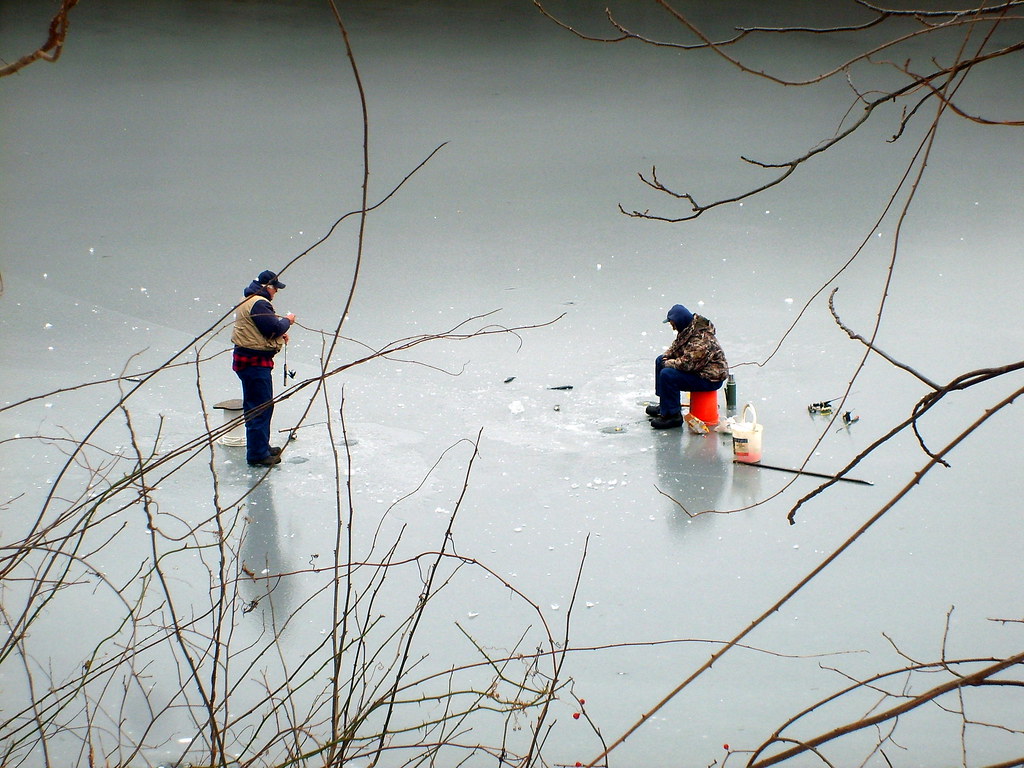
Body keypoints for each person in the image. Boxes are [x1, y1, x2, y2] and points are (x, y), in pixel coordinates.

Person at [231, 270, 296, 466]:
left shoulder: (249, 300)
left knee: (259, 406)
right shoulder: (259, 303)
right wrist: (288, 321)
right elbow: (272, 328)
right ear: (268, 287)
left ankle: (261, 446)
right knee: (260, 407)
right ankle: (258, 454)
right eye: (275, 288)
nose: (276, 292)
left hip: (248, 362)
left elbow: (258, 330)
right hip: (255, 363)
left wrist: (278, 335)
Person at [646, 303, 728, 429]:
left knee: (667, 374)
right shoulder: (688, 328)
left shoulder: (700, 339)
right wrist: (666, 356)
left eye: (673, 324)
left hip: (709, 378)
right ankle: (665, 405)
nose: (673, 328)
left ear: (679, 322)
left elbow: (688, 365)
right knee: (660, 360)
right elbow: (677, 345)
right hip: (698, 369)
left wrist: (669, 363)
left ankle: (673, 416)